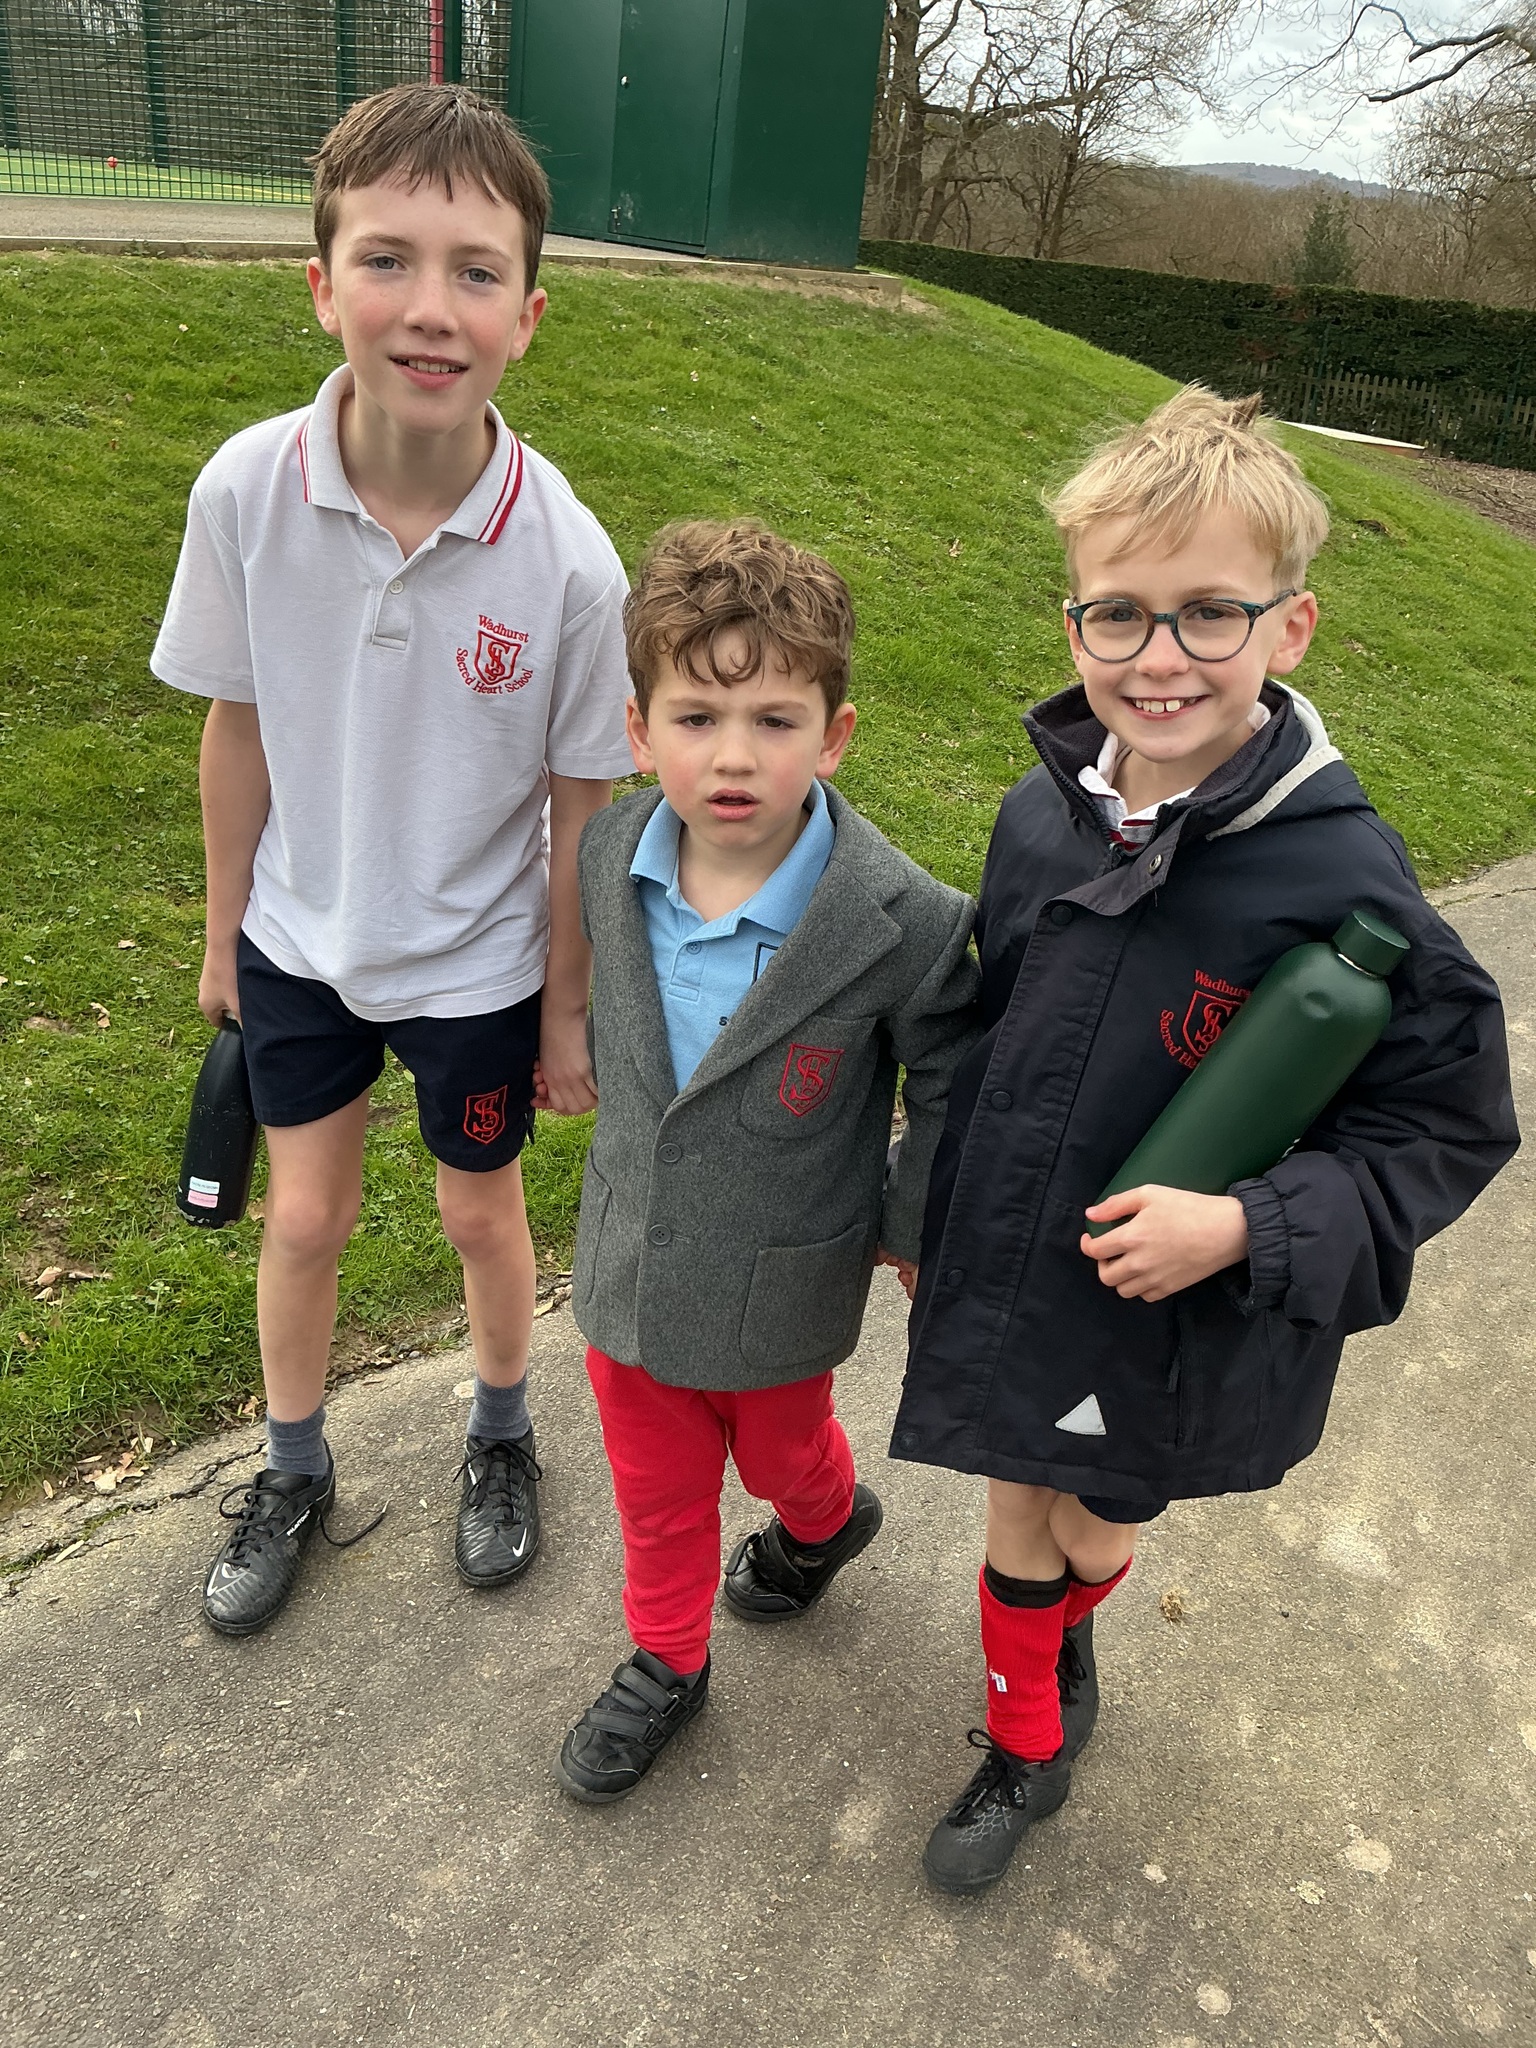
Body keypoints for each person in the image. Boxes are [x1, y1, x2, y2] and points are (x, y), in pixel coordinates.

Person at [890, 387, 1519, 1893]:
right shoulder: (1041, 817)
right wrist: (930, 1211)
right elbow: (981, 1032)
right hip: (1025, 1268)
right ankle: (1025, 1737)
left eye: (1209, 613)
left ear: (1288, 628)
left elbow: (1447, 1116)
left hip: (1177, 1304)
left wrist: (1246, 1226)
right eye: (1119, 613)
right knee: (1014, 1497)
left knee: (1098, 1521)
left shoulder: (1338, 871)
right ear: (1073, 623)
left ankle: (1069, 1630)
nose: (1159, 656)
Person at [152, 83, 633, 1636]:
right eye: (387, 259)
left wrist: (565, 1008)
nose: (431, 308)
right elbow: (238, 728)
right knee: (303, 1221)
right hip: (300, 945)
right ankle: (292, 1468)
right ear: (321, 285)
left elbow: (582, 809)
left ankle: (500, 1433)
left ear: (528, 317)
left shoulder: (572, 563)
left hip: (479, 967)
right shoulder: (244, 490)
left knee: (481, 1216)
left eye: (475, 271)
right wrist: (226, 933)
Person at [555, 519, 979, 1803]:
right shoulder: (608, 853)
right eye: (696, 717)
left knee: (783, 1457)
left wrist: (911, 1221)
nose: (733, 754)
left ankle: (828, 1516)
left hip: (785, 1278)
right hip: (631, 1265)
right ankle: (666, 1660)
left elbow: (949, 1079)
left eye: (775, 719)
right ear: (640, 731)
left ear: (833, 735)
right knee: (660, 1490)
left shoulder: (905, 921)